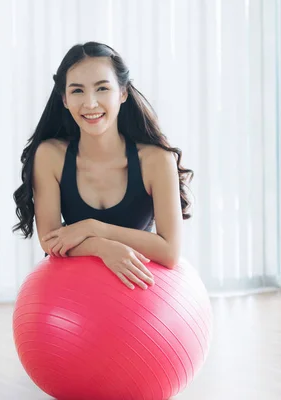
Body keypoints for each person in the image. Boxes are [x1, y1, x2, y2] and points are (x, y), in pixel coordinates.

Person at [13, 42, 193, 291]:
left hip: (139, 295)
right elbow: (50, 240)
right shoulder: (50, 156)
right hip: (71, 294)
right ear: (64, 99)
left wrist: (92, 228)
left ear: (122, 93)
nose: (90, 103)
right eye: (77, 91)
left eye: (102, 88)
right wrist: (102, 247)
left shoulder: (156, 160)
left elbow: (170, 251)